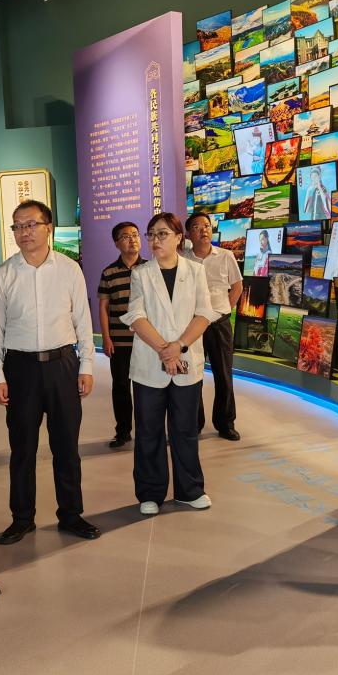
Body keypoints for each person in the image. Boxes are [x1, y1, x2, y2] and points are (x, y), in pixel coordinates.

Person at [0, 199, 101, 544]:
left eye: (31, 224)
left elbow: (82, 320)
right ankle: (22, 518)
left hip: (63, 365)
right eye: (18, 226)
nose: (24, 232)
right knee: (22, 449)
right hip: (20, 369)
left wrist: (86, 365)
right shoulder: (3, 275)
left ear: (48, 227)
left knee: (66, 446)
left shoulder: (69, 270)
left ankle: (71, 514)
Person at [120, 212, 216, 516]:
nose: (155, 240)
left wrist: (179, 346)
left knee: (185, 430)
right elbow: (136, 316)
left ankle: (190, 490)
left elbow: (204, 314)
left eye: (162, 234)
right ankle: (150, 492)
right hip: (150, 364)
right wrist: (165, 350)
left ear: (178, 238)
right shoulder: (141, 274)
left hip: (187, 361)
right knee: (148, 431)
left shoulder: (195, 271)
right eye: (151, 234)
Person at [183, 211, 243, 440]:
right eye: (197, 227)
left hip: (219, 324)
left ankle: (225, 423)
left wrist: (223, 310)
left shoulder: (226, 255)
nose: (203, 230)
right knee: (193, 375)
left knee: (224, 374)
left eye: (206, 226)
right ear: (188, 234)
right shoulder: (183, 259)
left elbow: (237, 287)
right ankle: (194, 423)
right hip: (193, 324)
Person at [98, 221, 146, 448]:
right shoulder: (109, 273)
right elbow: (103, 308)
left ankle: (148, 431)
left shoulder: (150, 269)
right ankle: (123, 431)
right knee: (121, 388)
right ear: (117, 243)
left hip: (147, 342)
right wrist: (106, 338)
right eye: (126, 236)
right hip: (119, 342)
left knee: (147, 388)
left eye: (135, 235)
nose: (132, 239)